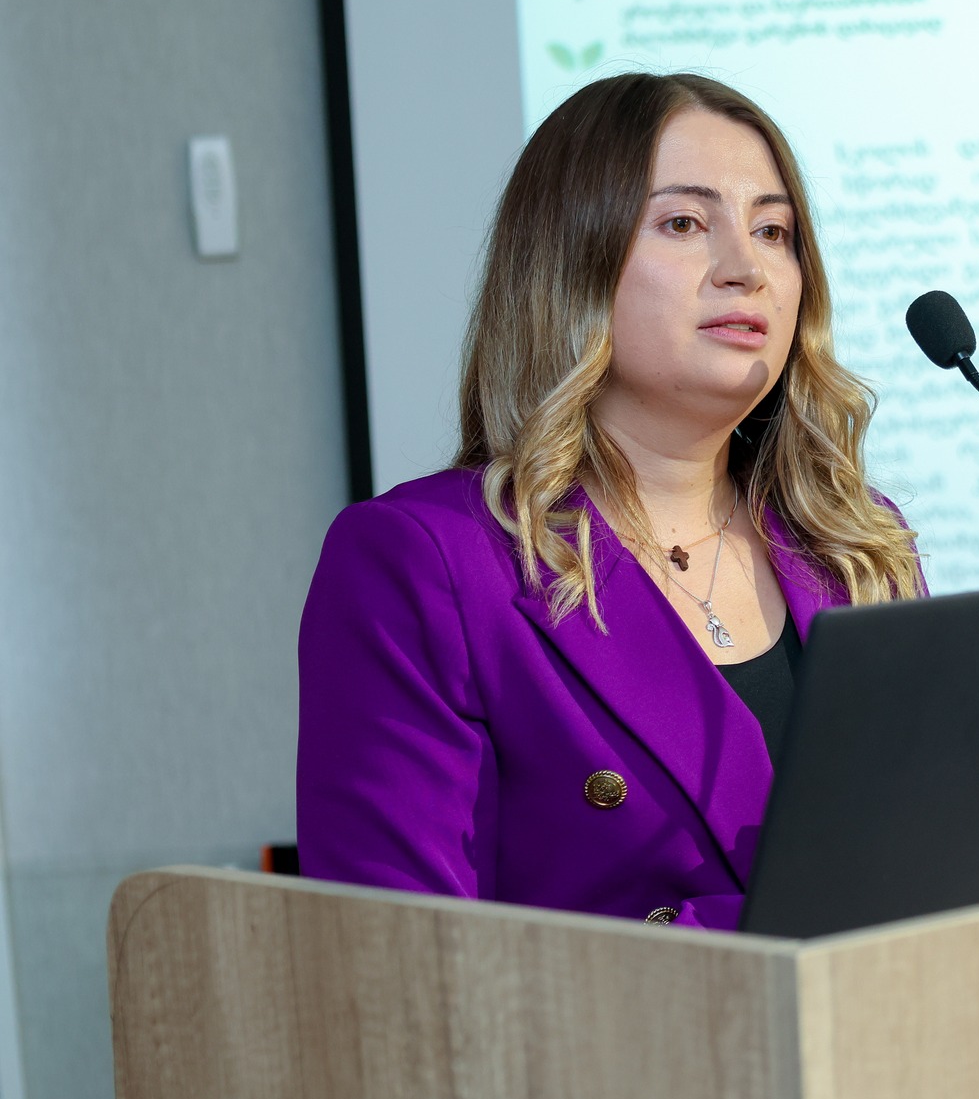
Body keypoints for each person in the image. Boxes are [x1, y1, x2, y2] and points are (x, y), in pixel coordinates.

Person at [297, 73, 922, 929]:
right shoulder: (427, 561)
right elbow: (398, 955)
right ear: (571, 264)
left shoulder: (857, 543)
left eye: (773, 231)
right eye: (684, 223)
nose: (747, 270)